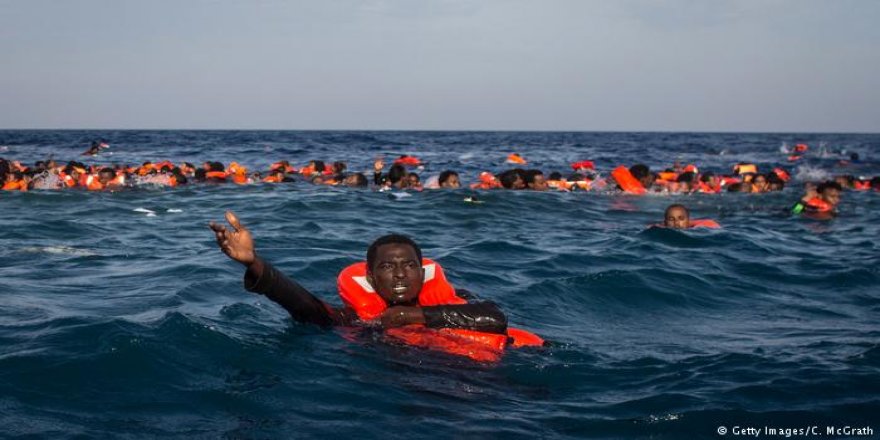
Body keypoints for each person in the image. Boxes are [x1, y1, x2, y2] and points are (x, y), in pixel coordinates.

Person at [208, 212, 542, 359]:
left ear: (422, 271)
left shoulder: (454, 302)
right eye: (387, 267)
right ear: (370, 277)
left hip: (492, 381)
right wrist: (255, 263)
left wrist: (411, 318)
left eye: (409, 265)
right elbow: (304, 305)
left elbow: (495, 319)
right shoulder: (356, 321)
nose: (400, 274)